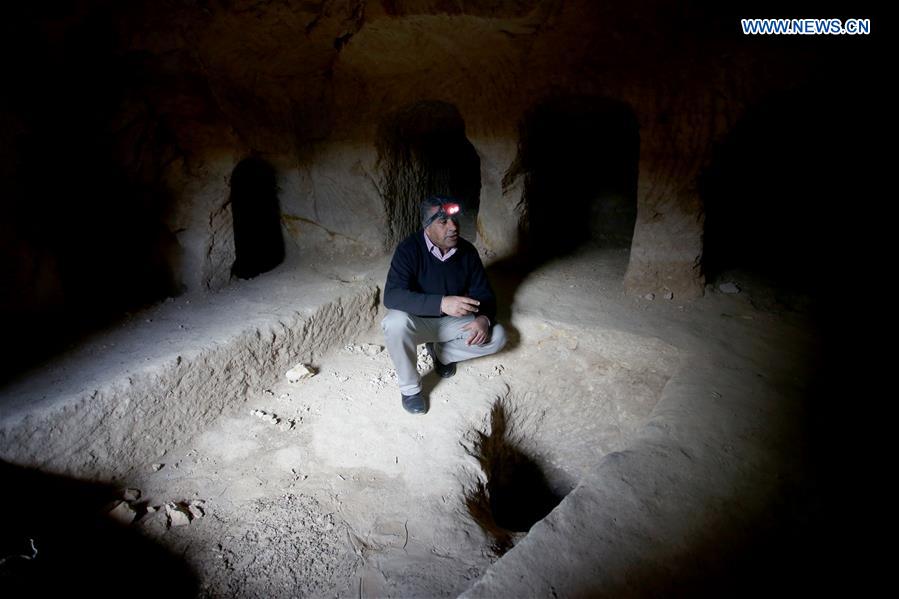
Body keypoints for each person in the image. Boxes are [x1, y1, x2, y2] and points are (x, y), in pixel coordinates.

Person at [381, 196, 507, 414]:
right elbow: (392, 296)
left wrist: (483, 319)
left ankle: (442, 353)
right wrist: (441, 303)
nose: (453, 227)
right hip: (418, 323)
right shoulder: (409, 249)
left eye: (454, 220)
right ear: (427, 227)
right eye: (443, 222)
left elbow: (484, 294)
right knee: (394, 323)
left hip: (453, 323)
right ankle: (410, 389)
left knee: (498, 336)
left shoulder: (467, 252)